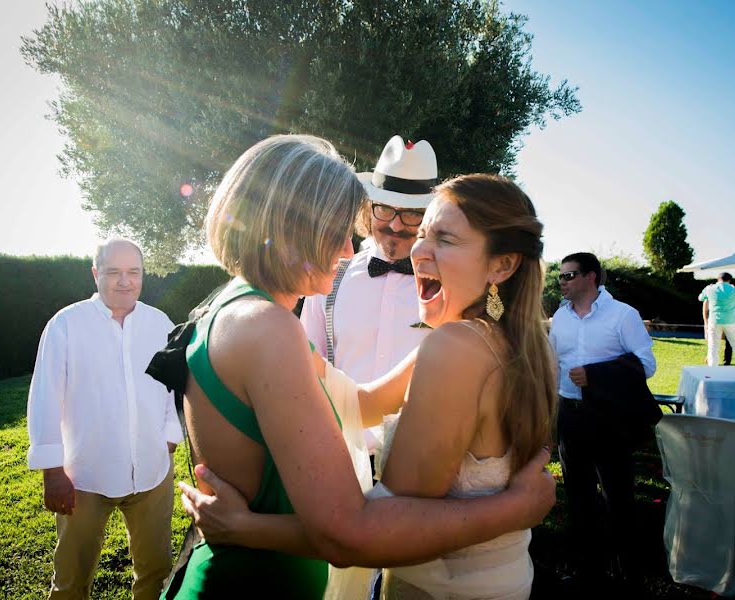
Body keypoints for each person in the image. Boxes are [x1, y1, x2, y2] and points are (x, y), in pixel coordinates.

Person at [161, 135, 556, 599]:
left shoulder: (240, 310)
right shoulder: (270, 327)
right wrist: (517, 507)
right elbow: (348, 527)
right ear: (290, 227)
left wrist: (458, 328)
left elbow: (357, 402)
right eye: (337, 229)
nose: (350, 250)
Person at [26, 238, 183, 599]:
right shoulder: (65, 325)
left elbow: (173, 388)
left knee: (156, 571)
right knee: (71, 579)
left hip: (152, 472)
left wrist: (170, 435)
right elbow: (45, 397)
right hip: (84, 477)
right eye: (113, 272)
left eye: (134, 272)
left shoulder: (159, 324)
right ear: (96, 273)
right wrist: (53, 472)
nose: (124, 281)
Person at [300, 134, 437, 460]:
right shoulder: (328, 278)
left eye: (411, 213)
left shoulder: (448, 282)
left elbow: (497, 326)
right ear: (367, 208)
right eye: (384, 209)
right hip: (344, 454)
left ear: (430, 217)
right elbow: (306, 368)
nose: (395, 225)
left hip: (426, 460)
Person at [549, 252, 657, 589]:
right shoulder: (560, 317)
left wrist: (595, 376)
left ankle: (629, 571)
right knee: (578, 497)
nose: (562, 282)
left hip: (609, 418)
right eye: (561, 277)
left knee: (618, 497)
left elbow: (647, 365)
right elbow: (554, 366)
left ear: (592, 277)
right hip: (570, 415)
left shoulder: (623, 315)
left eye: (569, 276)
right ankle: (586, 569)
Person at [698, 272, 735, 367]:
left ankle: (712, 369)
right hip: (730, 322)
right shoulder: (734, 290)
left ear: (718, 279)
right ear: (729, 280)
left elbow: (700, 298)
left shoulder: (710, 288)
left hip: (714, 321)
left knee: (713, 346)